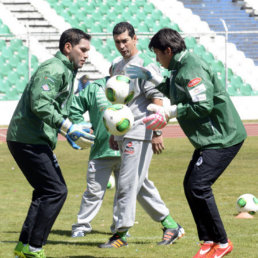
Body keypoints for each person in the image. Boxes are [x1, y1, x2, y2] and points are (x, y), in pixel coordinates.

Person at [126, 28, 247, 258]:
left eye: (158, 55)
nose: (156, 59)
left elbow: (203, 105)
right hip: (210, 139)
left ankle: (222, 243)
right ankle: (208, 241)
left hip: (222, 137)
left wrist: (169, 112)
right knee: (191, 187)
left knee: (198, 186)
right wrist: (152, 79)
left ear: (168, 50)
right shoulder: (179, 66)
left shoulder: (191, 67)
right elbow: (176, 89)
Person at [7, 28, 95, 258]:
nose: (86, 55)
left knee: (45, 192)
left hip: (32, 139)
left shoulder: (66, 70)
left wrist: (69, 133)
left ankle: (24, 246)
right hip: (27, 139)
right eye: (82, 49)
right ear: (68, 47)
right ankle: (35, 248)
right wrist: (68, 128)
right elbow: (40, 105)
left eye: (88, 51)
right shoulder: (54, 69)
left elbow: (54, 109)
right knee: (56, 191)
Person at [99, 22, 184, 249]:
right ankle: (171, 225)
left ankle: (120, 234)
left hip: (140, 130)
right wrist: (113, 133)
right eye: (117, 42)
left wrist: (157, 131)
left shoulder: (145, 65)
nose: (122, 46)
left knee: (126, 183)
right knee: (139, 182)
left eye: (125, 40)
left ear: (135, 38)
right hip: (123, 133)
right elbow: (118, 104)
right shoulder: (117, 66)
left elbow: (157, 99)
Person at [69, 76, 121, 238]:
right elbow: (74, 106)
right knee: (93, 192)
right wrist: (81, 126)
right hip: (100, 150)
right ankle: (81, 226)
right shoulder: (95, 88)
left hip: (126, 151)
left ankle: (121, 228)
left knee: (124, 192)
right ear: (111, 71)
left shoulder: (132, 87)